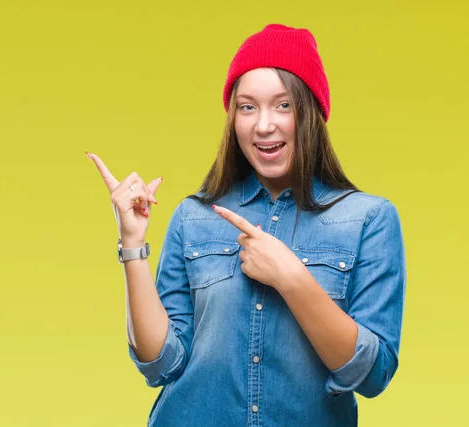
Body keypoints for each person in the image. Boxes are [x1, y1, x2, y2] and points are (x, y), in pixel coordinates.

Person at [87, 23, 406, 427]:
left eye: (284, 105)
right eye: (247, 106)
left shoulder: (368, 220)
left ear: (312, 111)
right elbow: (161, 364)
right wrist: (132, 245)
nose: (263, 125)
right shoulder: (194, 216)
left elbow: (371, 375)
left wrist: (292, 278)